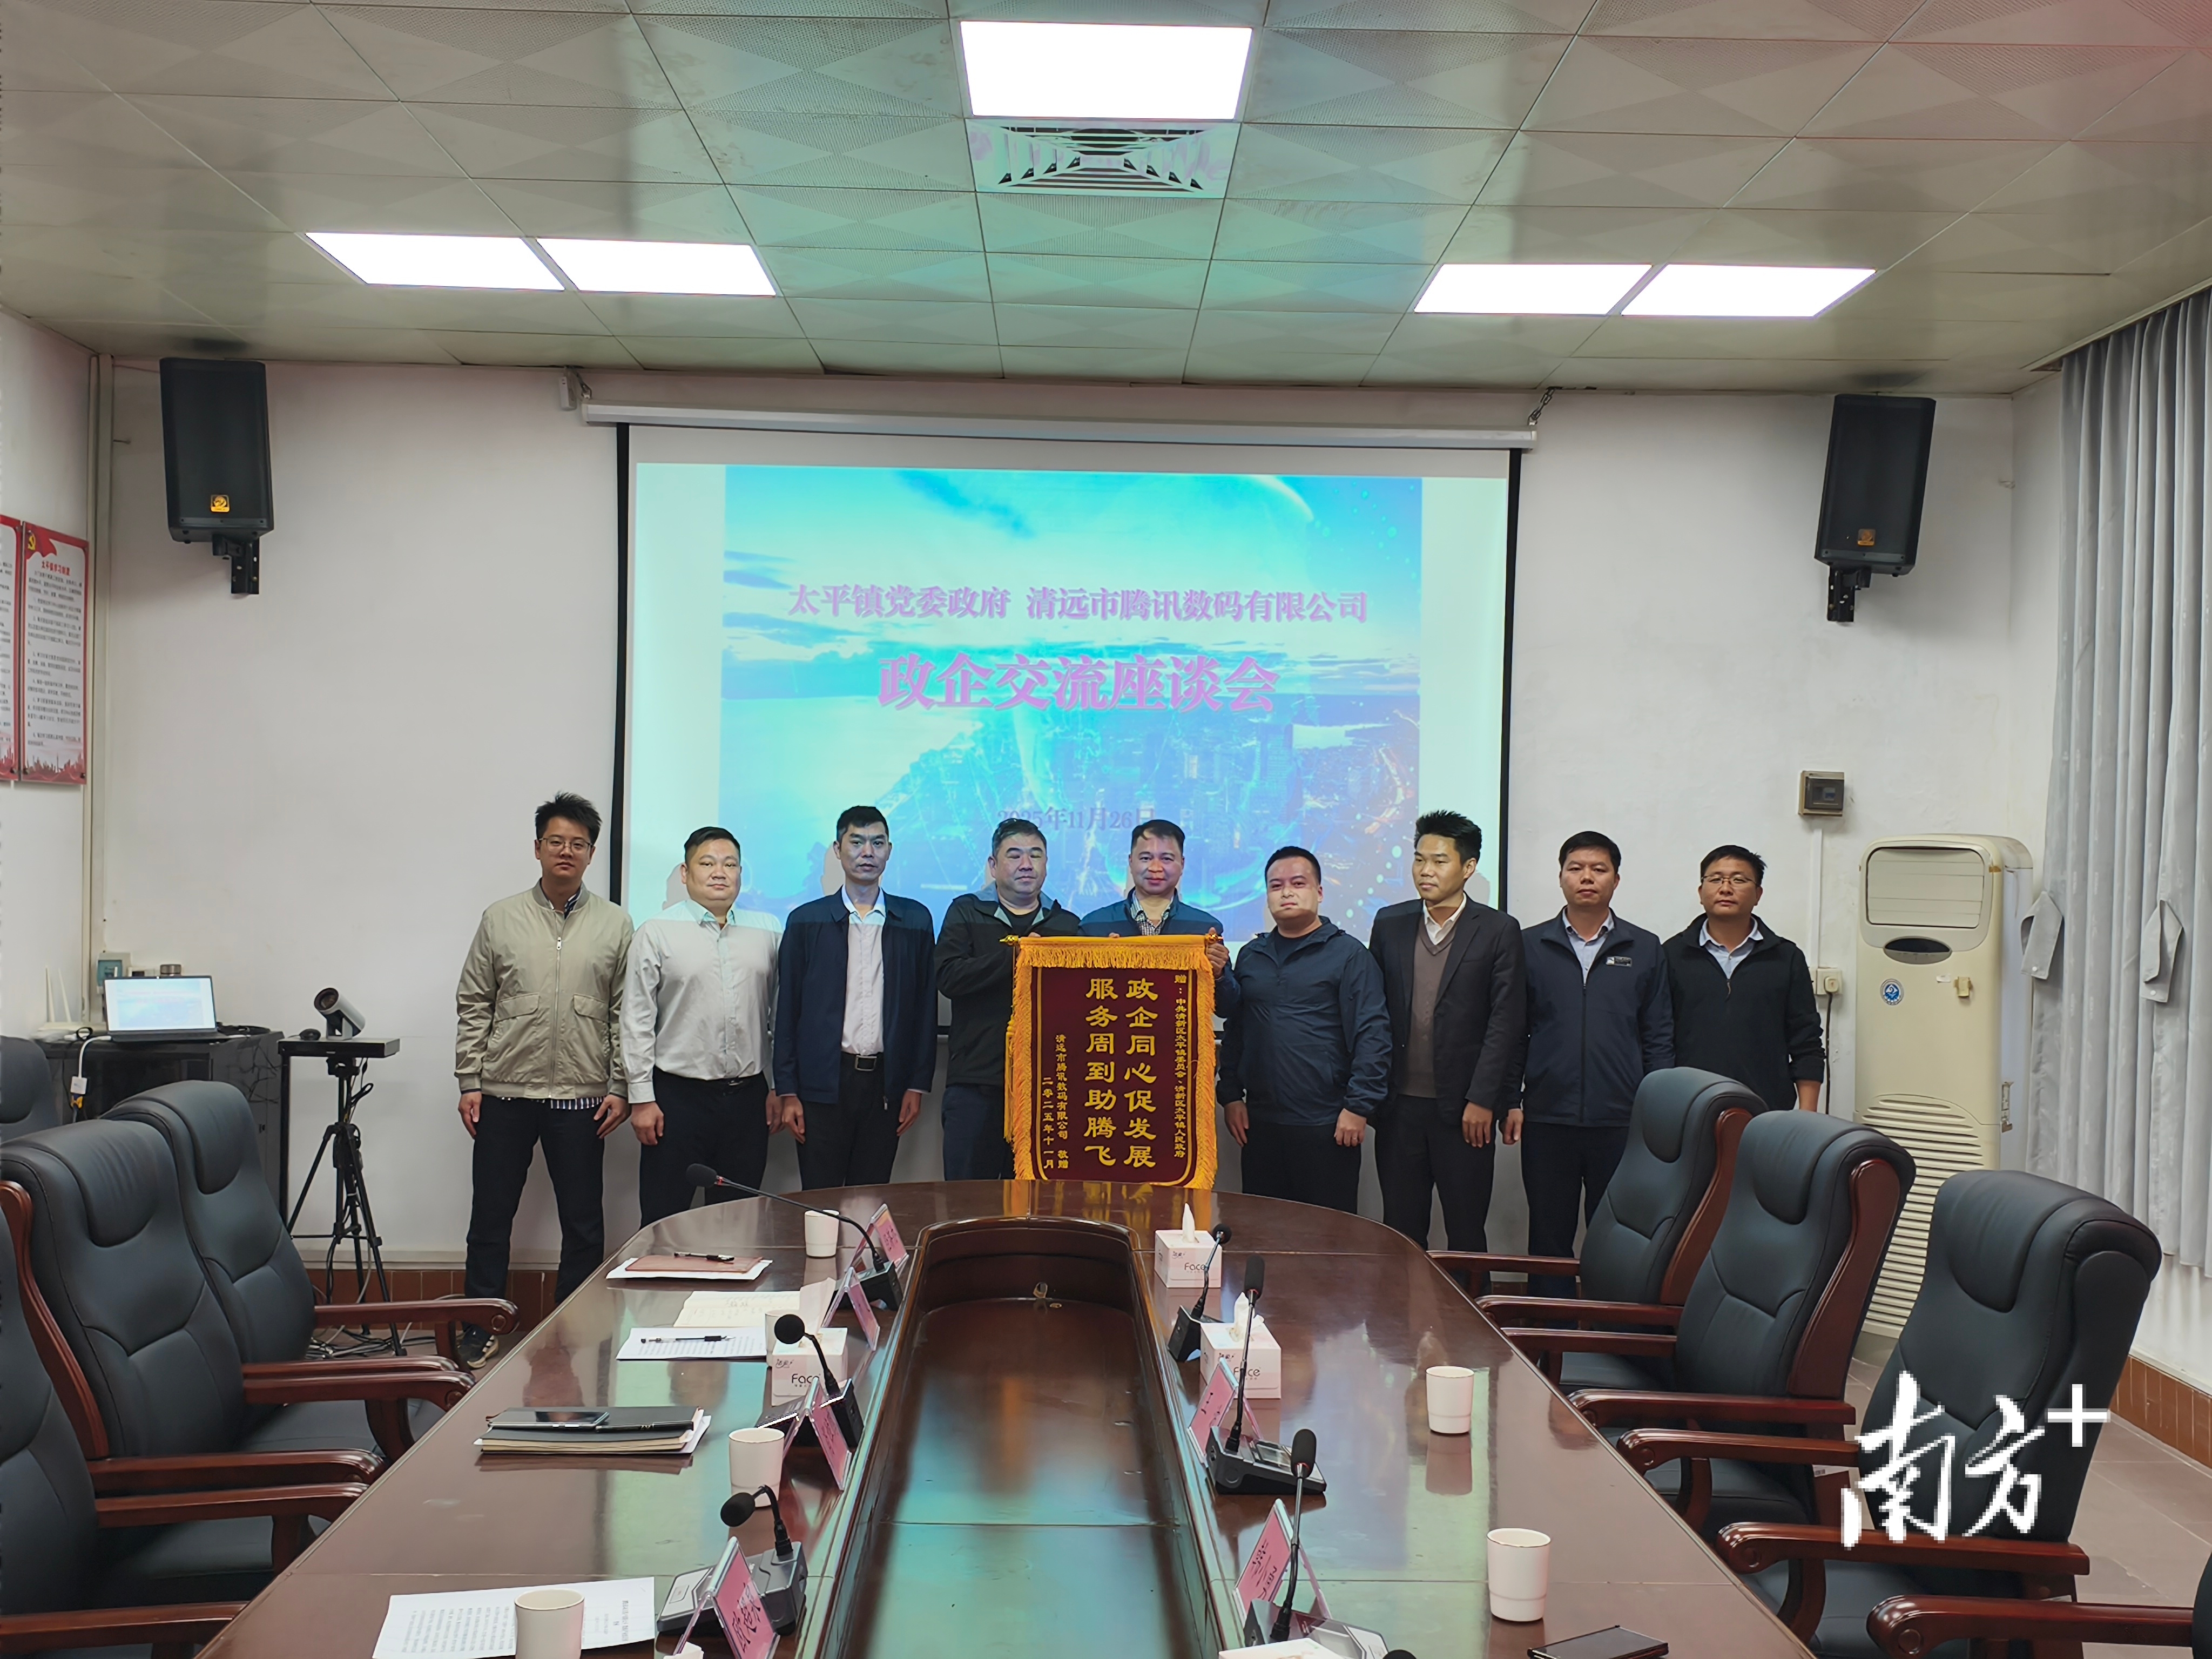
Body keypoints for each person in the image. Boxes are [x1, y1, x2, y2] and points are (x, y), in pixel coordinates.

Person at [454, 792, 631, 1368]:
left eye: (578, 844)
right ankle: (480, 1324)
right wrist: (470, 1080)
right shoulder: (500, 918)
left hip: (582, 1096)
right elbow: (474, 1002)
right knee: (490, 1217)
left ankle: (571, 1329)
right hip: (505, 1092)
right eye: (556, 841)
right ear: (537, 848)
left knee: (583, 1222)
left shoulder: (615, 923)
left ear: (591, 854)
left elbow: (624, 1013)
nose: (566, 851)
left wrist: (620, 1086)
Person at [1520, 831, 1673, 1297]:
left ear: (1616, 880)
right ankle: (1548, 1327)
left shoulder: (1644, 947)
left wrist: (1657, 1113)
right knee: (1548, 1234)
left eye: (1599, 869)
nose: (1587, 877)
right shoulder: (1529, 945)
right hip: (1548, 1115)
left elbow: (1659, 1036)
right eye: (1576, 868)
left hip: (1621, 1121)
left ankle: (1613, 1330)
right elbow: (1511, 1031)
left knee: (1618, 1236)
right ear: (1561, 877)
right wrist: (1510, 1099)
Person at [1368, 811, 1527, 1251]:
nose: (1426, 871)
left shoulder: (1498, 930)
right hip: (1399, 1108)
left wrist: (1484, 1099)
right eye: (1420, 860)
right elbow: (1375, 1012)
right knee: (1401, 1231)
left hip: (1465, 1111)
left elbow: (1506, 1022)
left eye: (1439, 861)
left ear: (1468, 867)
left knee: (1466, 1231)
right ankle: (1401, 1300)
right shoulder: (1390, 923)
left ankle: (1469, 1300)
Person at [622, 827, 783, 1224]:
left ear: (741, 873)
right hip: (677, 1100)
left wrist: (778, 1086)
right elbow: (637, 1020)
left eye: (730, 864)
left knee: (738, 1223)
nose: (719, 872)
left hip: (748, 1100)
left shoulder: (769, 931)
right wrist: (641, 1099)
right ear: (685, 872)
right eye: (707, 863)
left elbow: (781, 1016)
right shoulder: (656, 932)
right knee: (664, 1219)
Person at [1218, 846, 1391, 1213]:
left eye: (1298, 883)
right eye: (1276, 885)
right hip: (1261, 1123)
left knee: (1327, 1235)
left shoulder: (1349, 954)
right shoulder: (1252, 955)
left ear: (1320, 892)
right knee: (1264, 1229)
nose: (1287, 893)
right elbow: (1236, 1030)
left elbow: (1373, 1035)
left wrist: (1358, 1107)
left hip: (1327, 1123)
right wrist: (1231, 1095)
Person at [773, 806, 936, 1190]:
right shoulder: (806, 921)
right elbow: (787, 1010)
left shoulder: (914, 920)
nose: (868, 853)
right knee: (821, 1197)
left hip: (886, 1083)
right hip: (821, 1083)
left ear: (889, 851)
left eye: (877, 843)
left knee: (871, 1194)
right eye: (857, 842)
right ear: (838, 849)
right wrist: (787, 1090)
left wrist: (917, 1084)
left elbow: (925, 1009)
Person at [934, 817, 1083, 1179]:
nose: (1026, 864)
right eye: (1014, 855)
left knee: (1036, 1202)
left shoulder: (1067, 925)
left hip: (1046, 1089)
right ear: (993, 865)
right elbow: (948, 977)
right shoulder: (965, 911)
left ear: (1046, 864)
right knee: (969, 1201)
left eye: (1036, 855)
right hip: (976, 1083)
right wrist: (1015, 957)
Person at [1664, 845, 1825, 1114]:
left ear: (1758, 894)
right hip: (1686, 1107)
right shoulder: (1672, 955)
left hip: (1765, 1109)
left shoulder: (1786, 958)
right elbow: (1657, 1039)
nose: (1726, 888)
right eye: (1716, 879)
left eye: (1739, 880)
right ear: (1701, 892)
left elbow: (1806, 1041)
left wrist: (1807, 1116)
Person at [1077, 818, 1238, 1012]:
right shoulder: (1094, 926)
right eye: (1146, 858)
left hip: (1177, 1031)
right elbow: (1074, 1001)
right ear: (1131, 862)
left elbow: (1227, 1008)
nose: (1155, 868)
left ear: (1182, 864)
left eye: (1167, 859)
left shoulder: (1204, 928)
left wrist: (1219, 974)